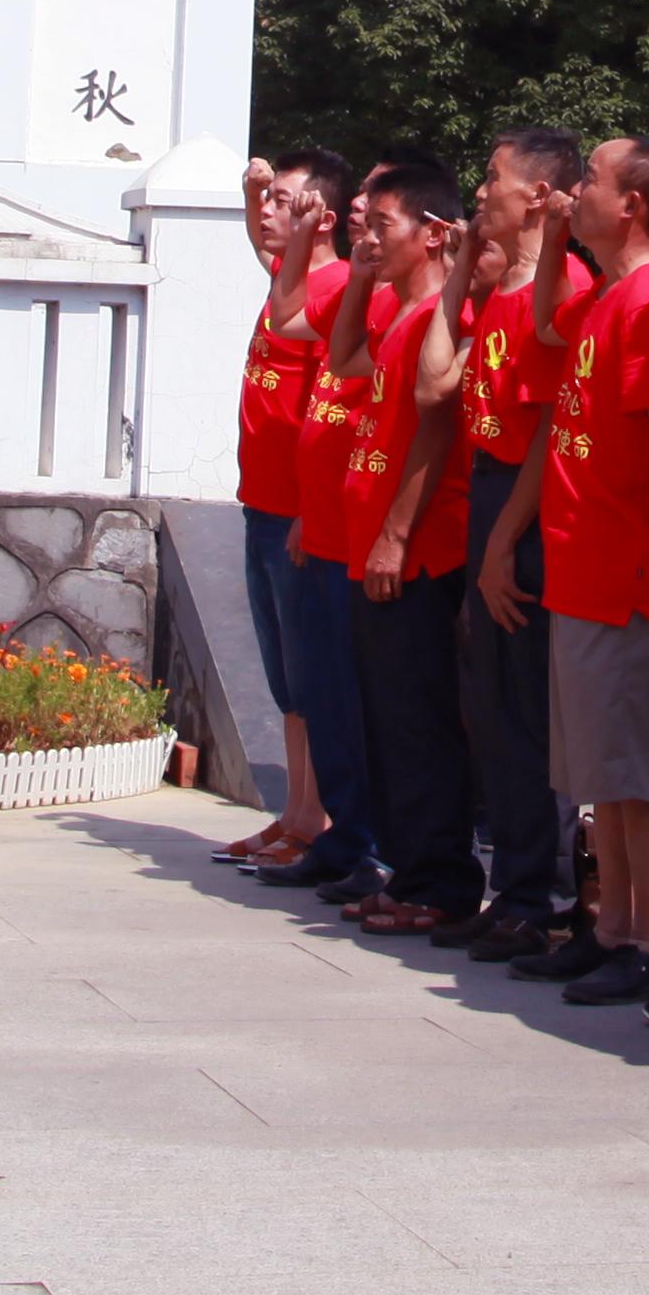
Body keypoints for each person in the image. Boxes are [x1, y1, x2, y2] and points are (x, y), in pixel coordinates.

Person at [513, 132, 649, 1003]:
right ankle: (613, 923)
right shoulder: (609, 297)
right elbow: (551, 319)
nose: (572, 190)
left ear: (632, 204)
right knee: (606, 776)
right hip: (583, 569)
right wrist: (553, 236)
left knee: (639, 774)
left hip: (631, 576)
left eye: (587, 180)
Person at [336, 158, 489, 937]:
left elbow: (437, 426)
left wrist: (397, 532)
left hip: (422, 552)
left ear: (434, 235)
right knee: (389, 720)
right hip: (377, 549)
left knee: (422, 719)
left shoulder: (448, 319)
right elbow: (344, 363)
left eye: (382, 224)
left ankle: (442, 880)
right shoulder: (399, 316)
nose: (367, 234)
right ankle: (409, 871)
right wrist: (361, 280)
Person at [451, 127, 588, 957]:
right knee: (494, 708)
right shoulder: (503, 291)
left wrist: (503, 543)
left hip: (527, 511)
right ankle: (514, 886)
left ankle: (544, 896)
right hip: (491, 498)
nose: (481, 191)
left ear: (540, 194)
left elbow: (546, 431)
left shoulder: (564, 285)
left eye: (495, 178)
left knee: (531, 710)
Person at [261, 167, 386, 898]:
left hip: (364, 536)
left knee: (357, 698)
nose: (365, 215)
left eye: (376, 208)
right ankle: (341, 834)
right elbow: (289, 318)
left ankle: (373, 845)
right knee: (318, 692)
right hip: (322, 524)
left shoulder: (413, 301)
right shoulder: (350, 290)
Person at [225, 162, 352, 876]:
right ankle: (300, 812)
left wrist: (310, 507)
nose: (268, 214)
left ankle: (320, 818)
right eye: (267, 202)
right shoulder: (290, 278)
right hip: (261, 502)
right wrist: (251, 196)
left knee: (309, 676)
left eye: (283, 202)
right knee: (285, 678)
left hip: (298, 515)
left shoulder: (331, 289)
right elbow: (261, 244)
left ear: (320, 215)